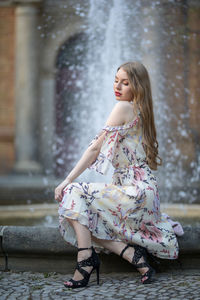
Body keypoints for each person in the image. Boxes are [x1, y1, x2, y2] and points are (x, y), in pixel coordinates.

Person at [55, 61, 184, 288]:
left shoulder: (124, 107)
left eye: (125, 83)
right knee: (80, 213)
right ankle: (132, 256)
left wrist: (67, 180)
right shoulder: (143, 110)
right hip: (145, 193)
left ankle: (85, 260)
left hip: (135, 191)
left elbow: (95, 149)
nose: (118, 87)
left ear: (137, 86)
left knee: (73, 193)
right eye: (116, 80)